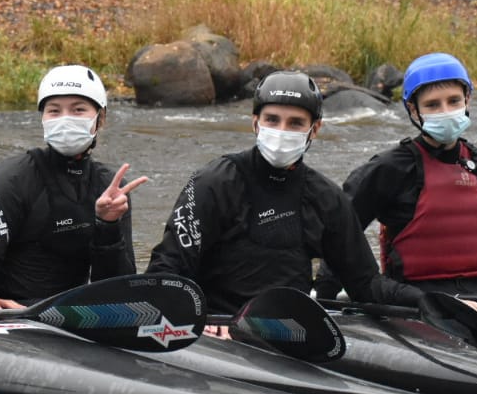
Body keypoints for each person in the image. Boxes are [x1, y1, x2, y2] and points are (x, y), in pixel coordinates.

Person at [146, 70, 425, 330]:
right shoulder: (213, 183)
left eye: (295, 123)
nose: (282, 131)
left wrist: (432, 303)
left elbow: (366, 284)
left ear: (314, 129)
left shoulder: (327, 199)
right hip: (216, 332)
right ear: (255, 123)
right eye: (272, 120)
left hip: (287, 335)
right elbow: (169, 267)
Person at [313, 52, 477, 307]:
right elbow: (340, 239)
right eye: (432, 105)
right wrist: (324, 301)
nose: (445, 111)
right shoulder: (389, 169)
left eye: (453, 101)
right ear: (413, 111)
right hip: (415, 299)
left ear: (467, 101)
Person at [0, 64, 147, 312]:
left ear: (101, 119)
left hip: (69, 316)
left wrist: (107, 226)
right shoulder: (8, 179)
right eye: (54, 111)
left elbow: (117, 288)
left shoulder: (112, 189)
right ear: (43, 119)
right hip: (9, 313)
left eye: (78, 110)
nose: (65, 119)